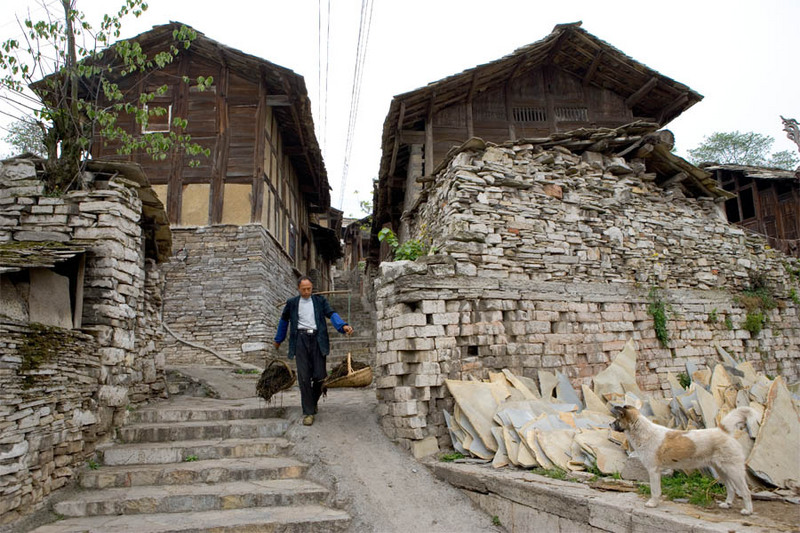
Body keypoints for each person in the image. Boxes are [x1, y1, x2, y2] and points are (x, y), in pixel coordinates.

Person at [274, 275, 353, 426]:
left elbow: (331, 314)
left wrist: (343, 326)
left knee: (320, 376)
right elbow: (283, 321)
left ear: (312, 288)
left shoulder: (320, 301)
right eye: (303, 289)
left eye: (309, 289)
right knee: (304, 377)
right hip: (300, 340)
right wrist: (278, 339)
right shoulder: (292, 303)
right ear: (298, 289)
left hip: (317, 340)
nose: (306, 292)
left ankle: (311, 402)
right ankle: (308, 412)